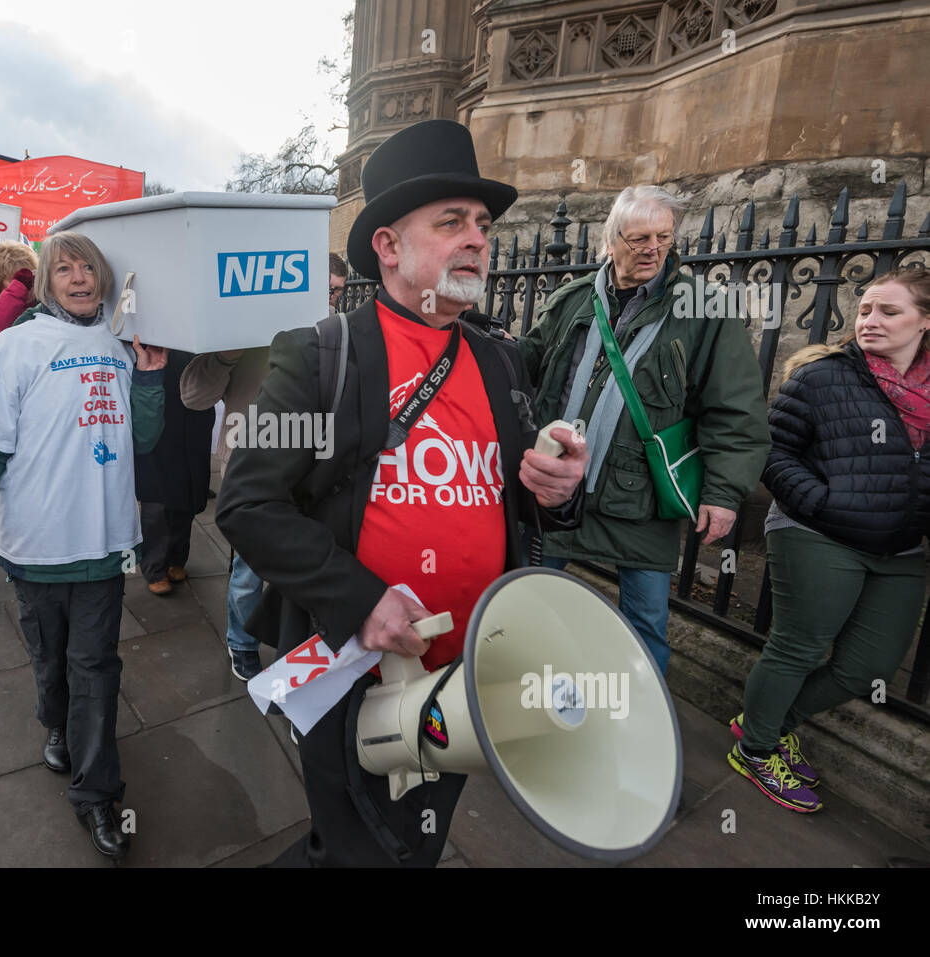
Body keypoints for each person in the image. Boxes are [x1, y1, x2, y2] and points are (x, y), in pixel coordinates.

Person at [215, 119, 587, 867]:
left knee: (416, 832)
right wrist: (361, 598)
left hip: (466, 677)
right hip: (351, 668)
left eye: (481, 224)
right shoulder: (322, 356)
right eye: (451, 221)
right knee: (369, 843)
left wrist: (560, 491)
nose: (477, 239)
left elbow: (526, 504)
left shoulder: (501, 360)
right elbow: (248, 504)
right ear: (388, 246)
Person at [0, 231, 167, 861]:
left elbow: (142, 440)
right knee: (51, 660)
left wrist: (149, 382)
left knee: (95, 666)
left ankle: (97, 794)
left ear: (102, 277)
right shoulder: (17, 346)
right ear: (46, 280)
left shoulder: (121, 346)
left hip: (104, 545)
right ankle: (55, 725)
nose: (78, 279)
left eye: (88, 269)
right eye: (64, 269)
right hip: (37, 545)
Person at [516, 185, 769, 675]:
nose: (653, 248)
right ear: (610, 242)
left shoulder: (703, 307)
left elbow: (735, 406)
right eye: (638, 238)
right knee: (528, 600)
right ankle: (520, 693)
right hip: (558, 490)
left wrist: (723, 492)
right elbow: (527, 368)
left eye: (663, 237)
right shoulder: (572, 298)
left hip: (641, 497)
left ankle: (635, 717)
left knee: (646, 622)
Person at [728, 267, 930, 813]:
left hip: (902, 548)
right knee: (799, 645)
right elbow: (772, 452)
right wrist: (821, 503)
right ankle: (758, 749)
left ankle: (764, 723)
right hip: (817, 533)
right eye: (865, 309)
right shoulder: (824, 374)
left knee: (869, 666)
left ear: (925, 321)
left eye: (889, 311)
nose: (869, 320)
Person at [181, 252, 357, 680]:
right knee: (249, 569)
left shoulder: (342, 334)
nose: (329, 300)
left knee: (315, 563)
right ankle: (241, 640)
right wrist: (228, 354)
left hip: (320, 468)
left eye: (336, 292)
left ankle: (302, 646)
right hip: (257, 469)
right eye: (322, 290)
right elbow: (193, 396)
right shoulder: (253, 331)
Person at [135, 349, 215, 595]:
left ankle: (177, 558)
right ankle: (155, 567)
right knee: (156, 498)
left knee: (188, 489)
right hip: (157, 402)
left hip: (196, 409)